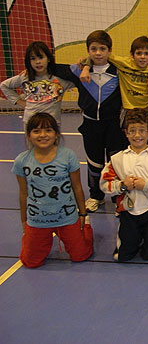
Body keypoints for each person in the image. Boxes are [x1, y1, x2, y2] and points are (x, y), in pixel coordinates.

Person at [12, 113, 93, 268]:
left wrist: (83, 214)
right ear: (29, 135)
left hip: (67, 217)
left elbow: (77, 187)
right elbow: (23, 193)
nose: (42, 135)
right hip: (38, 220)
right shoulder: (22, 161)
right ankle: (33, 239)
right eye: (36, 131)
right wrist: (24, 221)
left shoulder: (68, 156)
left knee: (80, 256)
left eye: (48, 130)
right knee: (30, 262)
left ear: (56, 134)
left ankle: (86, 230)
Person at [60, 30, 124, 213]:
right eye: (93, 49)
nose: (98, 53)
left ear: (109, 50)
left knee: (116, 163)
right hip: (90, 127)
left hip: (114, 126)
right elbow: (53, 68)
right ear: (88, 51)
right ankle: (96, 196)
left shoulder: (119, 72)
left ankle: (119, 195)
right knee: (94, 164)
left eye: (102, 49)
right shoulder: (79, 71)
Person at [100, 109, 148, 261]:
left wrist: (146, 185)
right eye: (132, 131)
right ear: (126, 133)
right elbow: (104, 184)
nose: (137, 135)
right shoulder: (117, 159)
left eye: (142, 131)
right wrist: (122, 186)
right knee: (122, 256)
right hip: (128, 212)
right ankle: (133, 239)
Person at [79, 35, 148, 113]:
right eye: (139, 53)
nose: (142, 57)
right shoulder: (124, 63)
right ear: (131, 54)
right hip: (127, 110)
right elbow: (99, 55)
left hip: (146, 111)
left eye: (146, 54)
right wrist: (86, 67)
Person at [1, 41, 75, 126]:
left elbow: (80, 82)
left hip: (52, 124)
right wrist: (19, 101)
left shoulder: (60, 80)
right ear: (29, 61)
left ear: (49, 59)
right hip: (30, 123)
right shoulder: (25, 77)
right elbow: (4, 86)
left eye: (41, 57)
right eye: (33, 58)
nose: (37, 62)